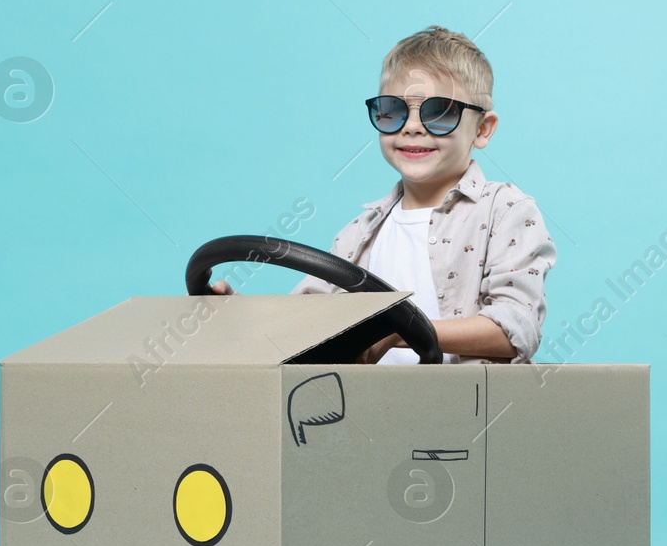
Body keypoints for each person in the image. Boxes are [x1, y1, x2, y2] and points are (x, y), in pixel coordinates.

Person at [211, 25, 554, 364]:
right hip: (370, 412)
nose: (413, 126)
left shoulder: (505, 211)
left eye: (439, 112)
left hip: (467, 413)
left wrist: (401, 330)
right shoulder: (359, 233)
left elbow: (516, 329)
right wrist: (242, 314)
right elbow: (302, 328)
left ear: (482, 129)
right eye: (394, 110)